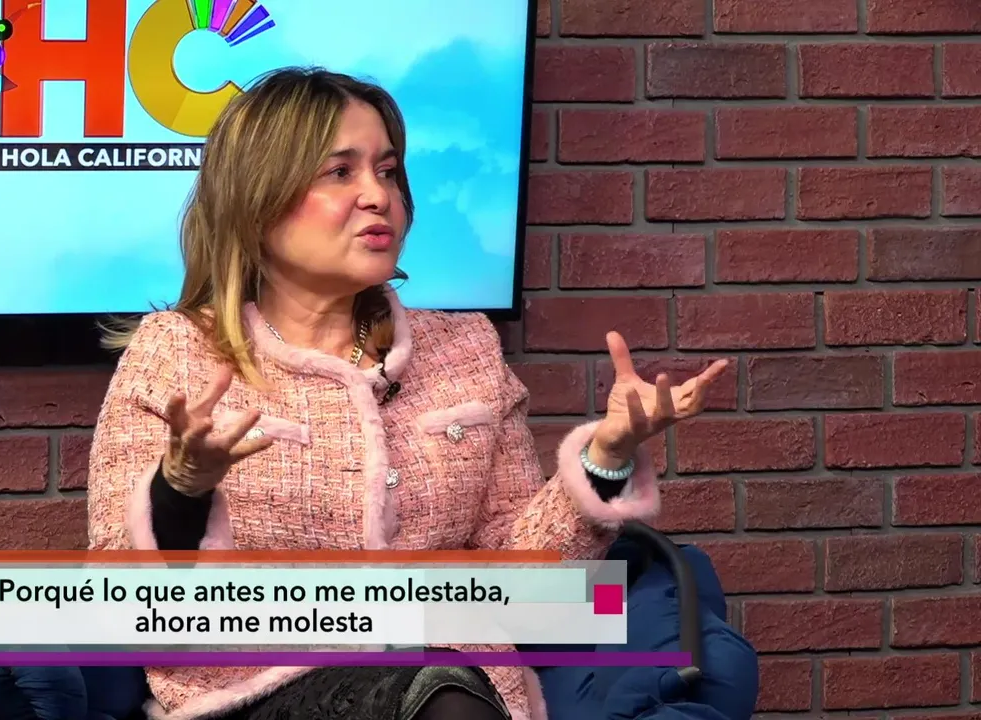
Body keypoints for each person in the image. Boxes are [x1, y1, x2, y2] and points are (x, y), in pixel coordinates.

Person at [86, 66, 729, 720]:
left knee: (444, 697)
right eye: (341, 172)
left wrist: (606, 457)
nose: (378, 196)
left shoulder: (465, 348)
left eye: (388, 172)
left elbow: (527, 582)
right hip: (252, 691)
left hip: (456, 683)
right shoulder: (178, 351)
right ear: (258, 200)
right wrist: (182, 490)